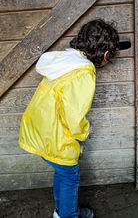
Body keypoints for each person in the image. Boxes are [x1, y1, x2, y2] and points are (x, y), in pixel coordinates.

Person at [18, 19, 120, 218]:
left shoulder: (66, 60)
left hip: (39, 127)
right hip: (56, 135)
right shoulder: (83, 73)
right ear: (106, 54)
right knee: (70, 178)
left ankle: (63, 211)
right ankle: (69, 215)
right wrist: (84, 133)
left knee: (62, 173)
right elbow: (74, 118)